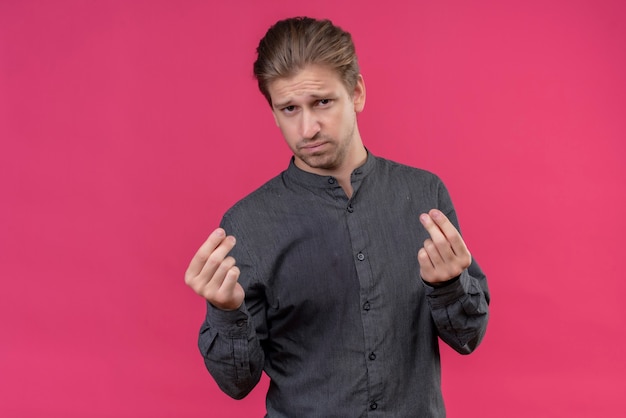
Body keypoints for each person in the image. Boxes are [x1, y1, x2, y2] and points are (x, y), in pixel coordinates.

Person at [185, 16, 490, 417]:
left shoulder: (423, 196)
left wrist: (449, 285)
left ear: (357, 92)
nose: (307, 128)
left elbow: (467, 337)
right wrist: (226, 313)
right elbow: (236, 385)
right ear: (273, 112)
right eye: (289, 108)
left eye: (322, 102)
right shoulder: (247, 225)